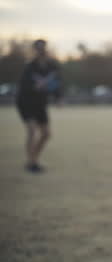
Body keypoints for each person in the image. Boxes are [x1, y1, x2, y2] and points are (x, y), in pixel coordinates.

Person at [16, 39, 62, 173]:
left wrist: (58, 98)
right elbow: (24, 86)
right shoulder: (29, 67)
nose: (42, 52)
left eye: (43, 50)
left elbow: (56, 83)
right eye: (39, 50)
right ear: (35, 51)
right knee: (31, 130)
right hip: (26, 102)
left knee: (46, 134)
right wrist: (34, 86)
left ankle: (34, 159)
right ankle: (30, 163)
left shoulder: (52, 67)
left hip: (40, 103)